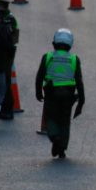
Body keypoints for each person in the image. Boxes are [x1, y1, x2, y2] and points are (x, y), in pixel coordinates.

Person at [35, 29, 85, 159]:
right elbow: (79, 81)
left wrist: (38, 92)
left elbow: (39, 76)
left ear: (54, 43)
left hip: (51, 94)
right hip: (68, 94)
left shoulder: (48, 57)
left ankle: (55, 137)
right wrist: (81, 99)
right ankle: (62, 148)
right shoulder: (74, 59)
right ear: (70, 44)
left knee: (50, 118)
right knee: (64, 121)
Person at [0, 0, 20, 120]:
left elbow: (6, 37)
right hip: (3, 52)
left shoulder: (8, 19)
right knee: (3, 81)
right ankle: (4, 108)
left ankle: (7, 109)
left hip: (6, 52)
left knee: (5, 82)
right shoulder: (4, 18)